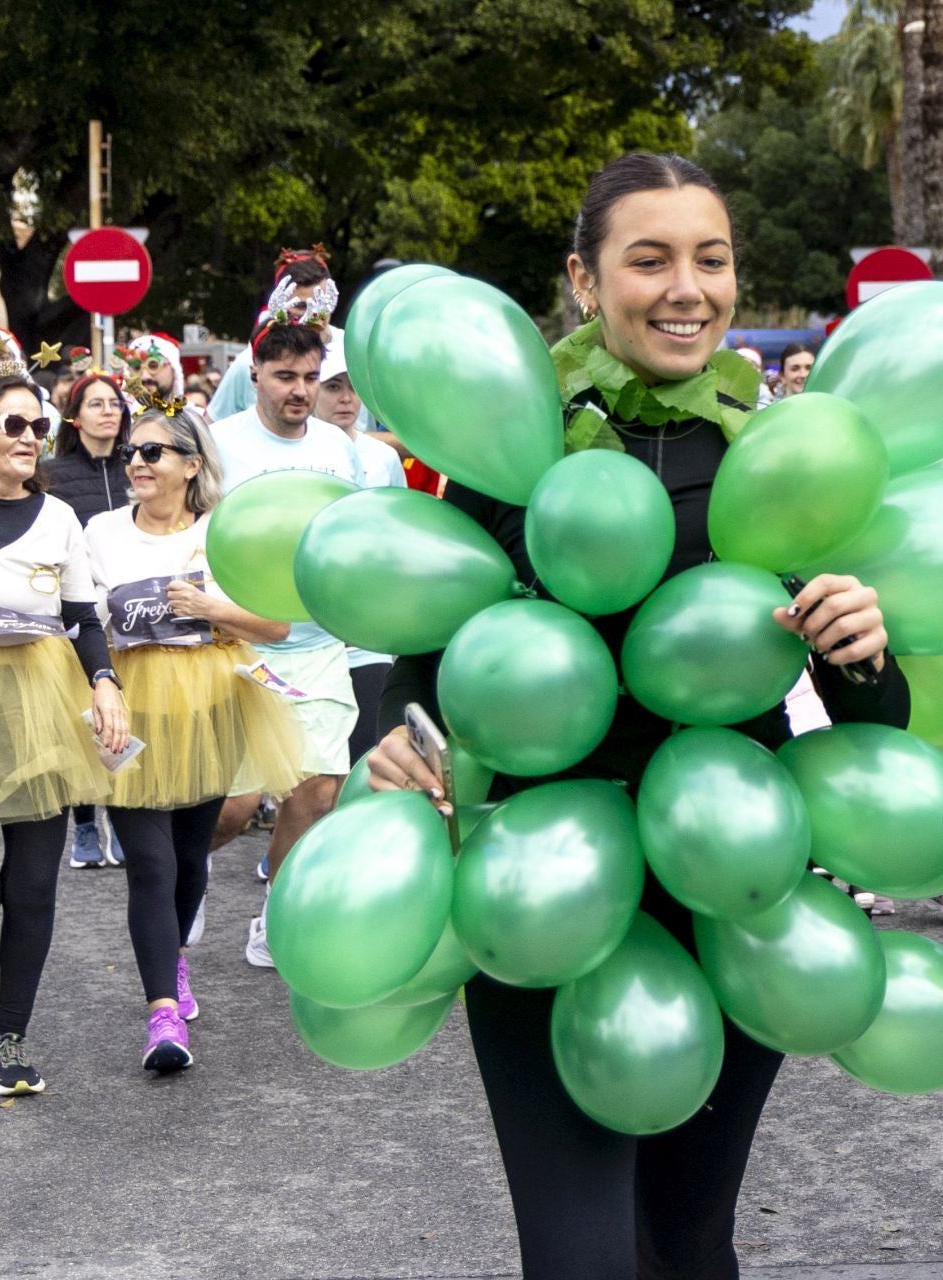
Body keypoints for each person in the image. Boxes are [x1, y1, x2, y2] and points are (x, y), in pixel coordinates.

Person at [363, 151, 910, 1280]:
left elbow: (878, 716)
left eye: (710, 260)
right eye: (648, 259)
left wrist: (865, 640)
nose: (686, 288)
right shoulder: (513, 451)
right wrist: (397, 740)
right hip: (540, 887)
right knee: (578, 1253)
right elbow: (425, 664)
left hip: (733, 881)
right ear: (583, 277)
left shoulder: (779, 453)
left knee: (689, 1238)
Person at [83, 407, 304, 1072]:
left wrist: (211, 608)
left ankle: (173, 960)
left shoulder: (222, 533)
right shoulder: (101, 532)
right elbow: (83, 621)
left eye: (155, 450)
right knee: (149, 864)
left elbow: (276, 625)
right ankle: (162, 1017)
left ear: (191, 464)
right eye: (133, 450)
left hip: (210, 707)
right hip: (128, 710)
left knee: (186, 860)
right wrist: (99, 684)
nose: (139, 461)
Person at [209, 321, 364, 967]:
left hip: (320, 640)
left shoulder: (335, 445)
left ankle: (274, 912)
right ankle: (181, 874)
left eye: (310, 377)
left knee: (320, 791)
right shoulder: (219, 444)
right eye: (285, 377)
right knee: (237, 807)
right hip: (241, 643)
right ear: (255, 376)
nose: (300, 391)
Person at [0, 366, 125, 1096]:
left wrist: (104, 684)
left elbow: (82, 617)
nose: (28, 438)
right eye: (13, 423)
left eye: (35, 426)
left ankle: (8, 1036)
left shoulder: (58, 519)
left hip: (39, 701)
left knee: (35, 887)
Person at [45, 372, 135, 868]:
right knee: (82, 719)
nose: (109, 411)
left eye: (115, 403)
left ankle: (122, 816)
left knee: (126, 716)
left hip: (133, 615)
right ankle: (83, 825)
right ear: (75, 416)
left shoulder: (138, 466)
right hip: (75, 612)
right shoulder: (54, 474)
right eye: (97, 404)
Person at [310, 341, 406, 765]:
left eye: (353, 387)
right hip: (303, 635)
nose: (346, 398)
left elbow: (400, 537)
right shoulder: (301, 453)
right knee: (313, 775)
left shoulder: (383, 457)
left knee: (366, 751)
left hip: (369, 632)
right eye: (333, 386)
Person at [207, 249, 340, 422]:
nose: (313, 312)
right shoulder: (251, 360)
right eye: (300, 305)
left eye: (320, 302)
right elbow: (209, 428)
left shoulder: (353, 353)